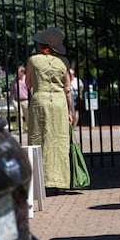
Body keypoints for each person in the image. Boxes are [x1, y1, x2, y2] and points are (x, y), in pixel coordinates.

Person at [26, 27, 73, 194]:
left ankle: (40, 183)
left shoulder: (33, 60)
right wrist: (70, 111)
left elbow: (28, 84)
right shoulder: (64, 62)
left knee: (38, 140)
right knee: (60, 142)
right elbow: (68, 89)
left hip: (40, 101)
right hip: (59, 103)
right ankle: (60, 184)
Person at [8, 65, 29, 129]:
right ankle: (19, 129)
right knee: (19, 115)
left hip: (25, 100)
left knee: (27, 115)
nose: (17, 74)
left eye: (18, 72)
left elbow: (31, 89)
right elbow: (12, 90)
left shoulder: (27, 79)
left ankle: (29, 127)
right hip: (17, 100)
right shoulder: (14, 80)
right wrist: (10, 99)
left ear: (22, 72)